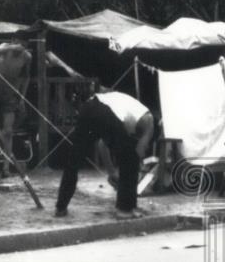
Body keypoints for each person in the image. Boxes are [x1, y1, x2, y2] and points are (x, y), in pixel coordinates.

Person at [55, 88, 157, 219]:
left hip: (89, 107)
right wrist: (140, 161)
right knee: (130, 159)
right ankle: (125, 210)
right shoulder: (149, 121)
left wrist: (111, 172)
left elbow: (103, 145)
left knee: (74, 159)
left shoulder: (129, 112)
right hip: (107, 111)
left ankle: (60, 207)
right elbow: (139, 150)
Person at [0, 39, 32, 178]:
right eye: (18, 43)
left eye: (23, 45)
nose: (20, 47)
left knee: (8, 131)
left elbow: (26, 77)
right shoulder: (4, 47)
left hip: (11, 93)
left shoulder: (27, 56)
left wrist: (22, 96)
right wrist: (8, 48)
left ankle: (5, 168)